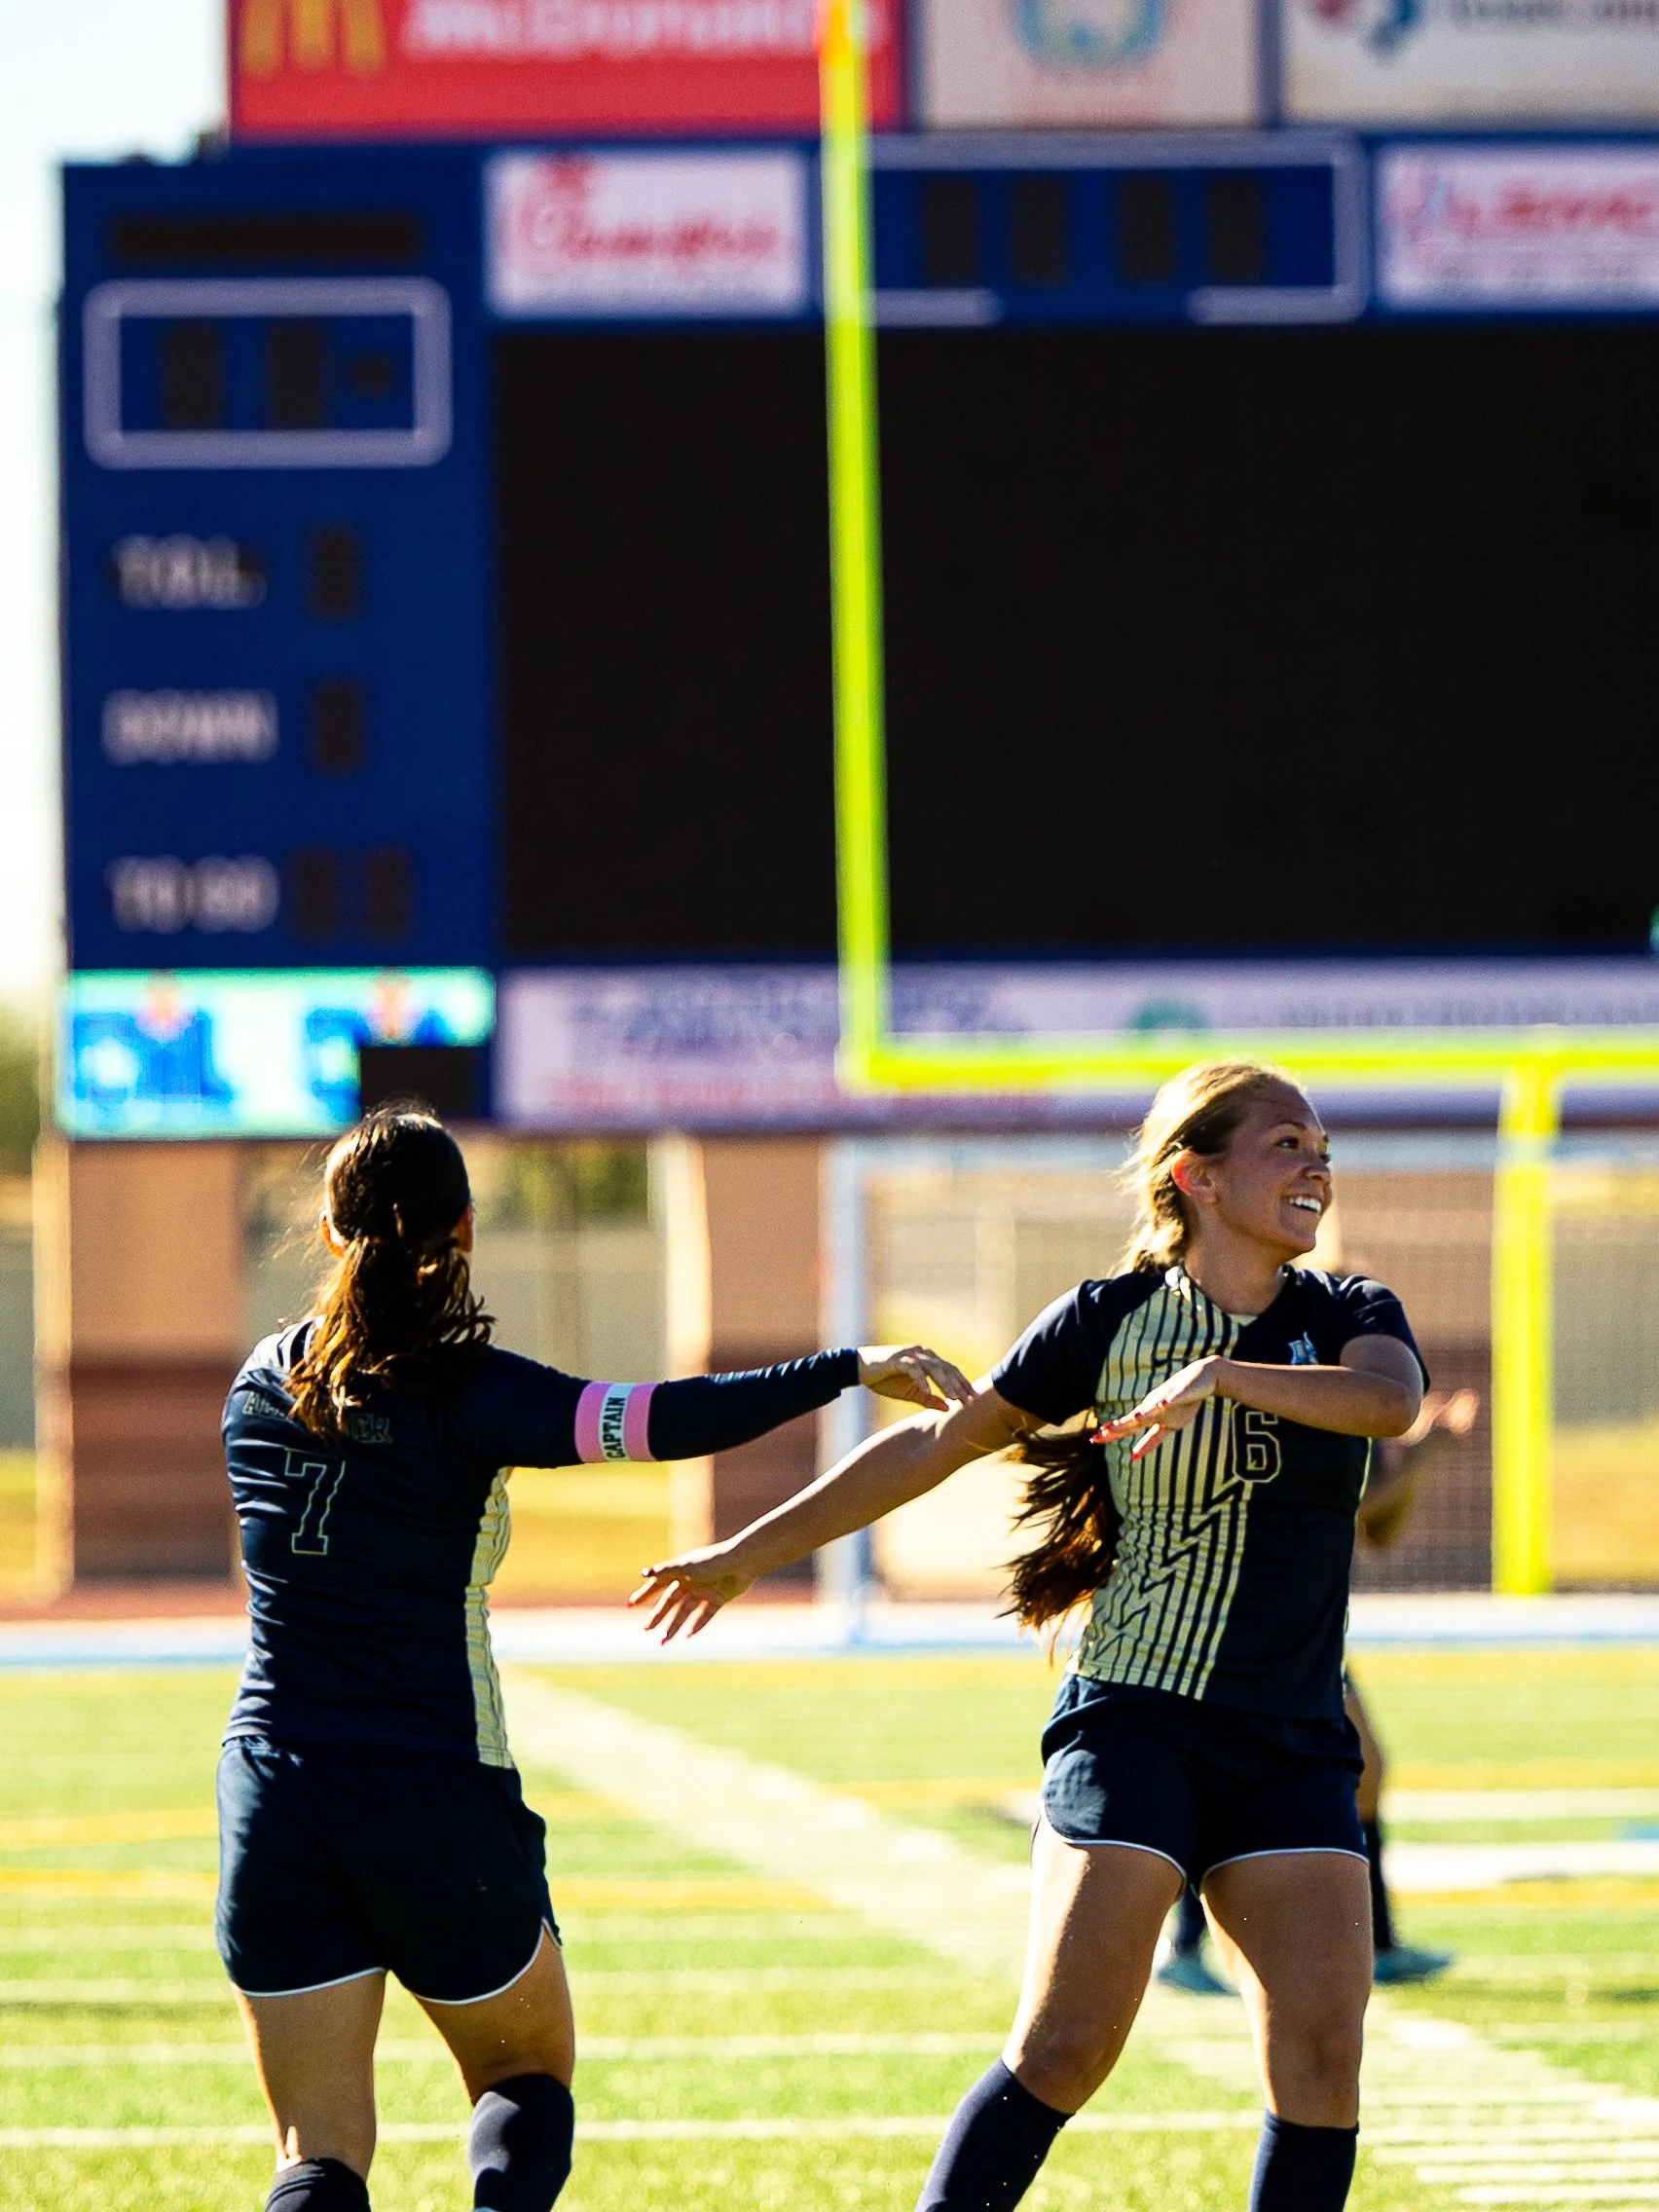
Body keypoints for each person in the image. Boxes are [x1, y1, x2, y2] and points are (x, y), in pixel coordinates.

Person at [633, 1059, 1428, 2212]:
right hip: (1138, 1721)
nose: (1318, 1167)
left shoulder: (1353, 1312)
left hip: (1295, 1738)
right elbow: (934, 1446)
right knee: (1062, 2048)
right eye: (1287, 1145)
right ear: (1194, 1176)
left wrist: (1222, 1378)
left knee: (1320, 2072)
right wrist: (748, 1551)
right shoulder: (1105, 1317)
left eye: (1322, 1149)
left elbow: (1389, 1403)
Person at [215, 1104, 971, 2212]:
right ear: (465, 1229)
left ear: (329, 1233)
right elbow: (666, 1418)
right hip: (430, 1780)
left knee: (315, 2153)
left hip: (270, 1788)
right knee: (524, 2076)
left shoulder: (255, 1384)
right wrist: (849, 1366)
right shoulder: (473, 1393)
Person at [1158, 1385, 1481, 1995]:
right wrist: (1424, 1453)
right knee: (1235, 1778)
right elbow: (1350, 1507)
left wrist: (1419, 1457)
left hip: (1305, 1627)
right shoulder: (1293, 1389)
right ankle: (1183, 1943)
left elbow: (1377, 1529)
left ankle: (1378, 1942)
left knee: (1363, 1774)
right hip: (1257, 1619)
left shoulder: (1348, 1400)